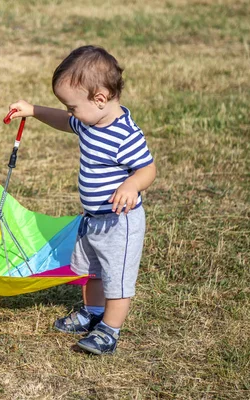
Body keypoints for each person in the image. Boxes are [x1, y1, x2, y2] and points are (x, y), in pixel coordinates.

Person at [8, 45, 156, 355]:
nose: (71, 113)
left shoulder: (125, 135)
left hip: (119, 222)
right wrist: (33, 110)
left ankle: (109, 330)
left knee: (116, 276)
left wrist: (132, 185)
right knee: (90, 270)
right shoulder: (90, 121)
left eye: (72, 106)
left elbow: (147, 168)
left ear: (100, 98)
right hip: (92, 219)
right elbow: (64, 121)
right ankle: (92, 312)